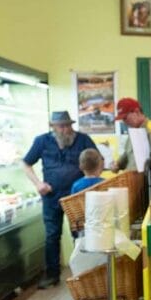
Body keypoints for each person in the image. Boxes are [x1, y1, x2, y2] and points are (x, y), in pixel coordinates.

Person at [22, 111, 98, 288]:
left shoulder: (83, 139)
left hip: (77, 196)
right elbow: (25, 163)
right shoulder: (41, 141)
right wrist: (38, 184)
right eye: (61, 126)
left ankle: (83, 273)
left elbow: (98, 160)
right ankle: (52, 275)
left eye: (68, 125)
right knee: (52, 235)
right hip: (51, 196)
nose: (66, 130)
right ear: (53, 127)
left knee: (79, 235)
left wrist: (90, 181)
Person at [115, 97, 151, 171]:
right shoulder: (134, 131)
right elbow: (128, 154)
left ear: (137, 112)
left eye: (125, 118)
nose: (124, 122)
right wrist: (117, 164)